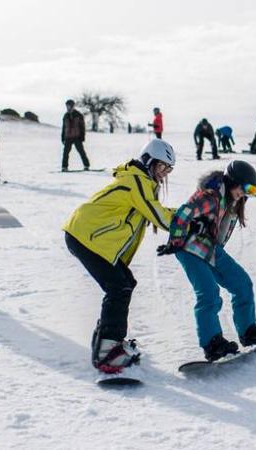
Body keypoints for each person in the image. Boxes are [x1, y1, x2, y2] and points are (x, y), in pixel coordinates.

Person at [63, 139, 177, 374]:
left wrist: (184, 214)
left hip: (92, 238)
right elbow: (160, 217)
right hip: (85, 235)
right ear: (148, 161)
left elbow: (155, 212)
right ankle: (107, 352)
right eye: (162, 166)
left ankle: (108, 340)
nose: (164, 173)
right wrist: (188, 220)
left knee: (125, 283)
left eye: (168, 169)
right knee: (118, 287)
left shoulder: (142, 182)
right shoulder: (137, 181)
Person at [157, 160, 256, 361]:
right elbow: (183, 213)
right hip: (189, 248)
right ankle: (212, 343)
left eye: (252, 190)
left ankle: (248, 330)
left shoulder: (231, 200)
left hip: (210, 248)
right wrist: (176, 241)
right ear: (232, 181)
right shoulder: (210, 197)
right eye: (245, 188)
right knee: (209, 293)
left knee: (242, 284)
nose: (246, 193)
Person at [61, 99, 90, 171]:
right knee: (65, 153)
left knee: (81, 152)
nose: (67, 107)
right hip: (68, 137)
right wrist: (62, 137)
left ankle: (86, 165)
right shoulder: (65, 116)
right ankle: (64, 167)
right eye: (67, 106)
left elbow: (82, 126)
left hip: (77, 137)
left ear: (72, 106)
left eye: (69, 105)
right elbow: (64, 127)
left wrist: (82, 136)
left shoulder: (78, 115)